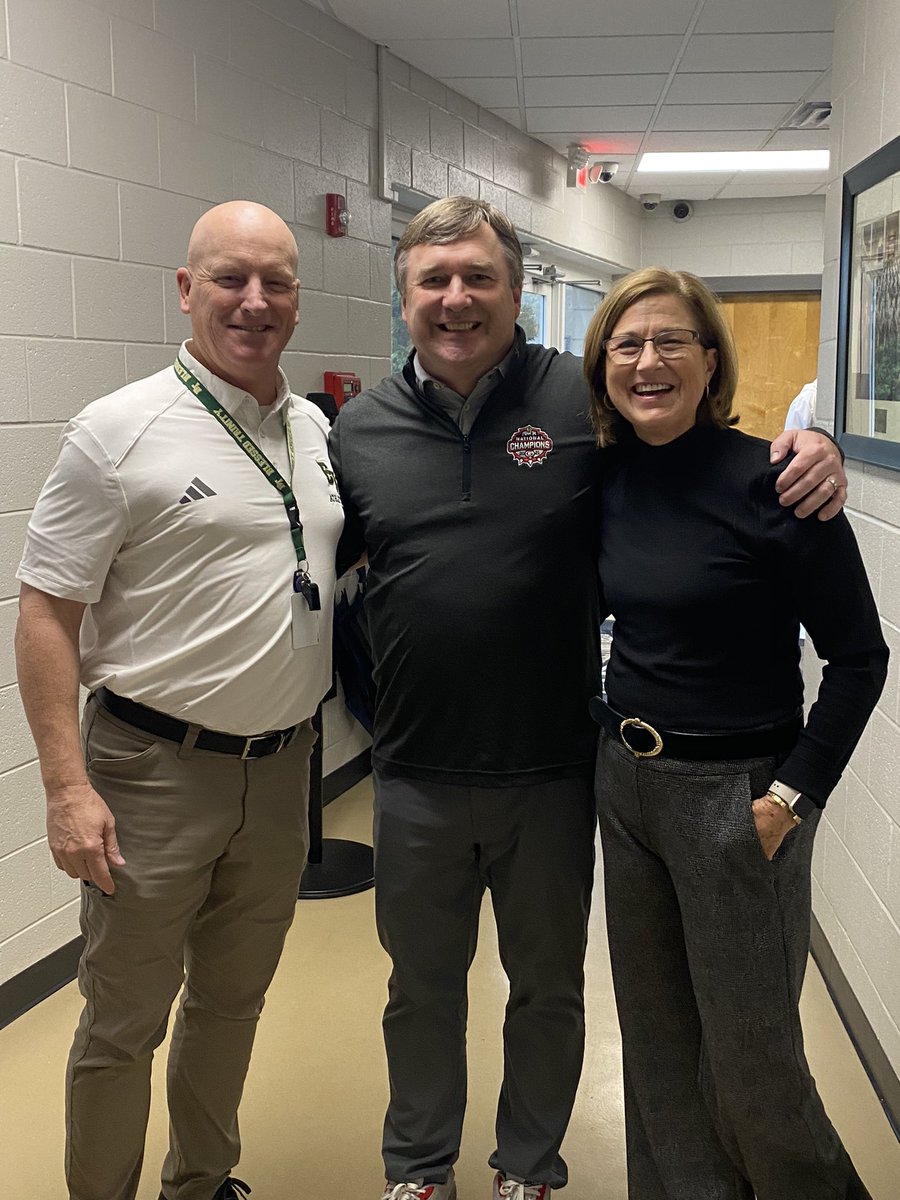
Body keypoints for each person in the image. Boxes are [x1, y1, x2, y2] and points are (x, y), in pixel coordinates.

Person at [328, 196, 849, 1200]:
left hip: (557, 766)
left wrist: (812, 447)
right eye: (433, 280)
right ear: (403, 298)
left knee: (550, 990)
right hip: (415, 773)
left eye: (479, 276)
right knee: (420, 991)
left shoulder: (582, 401)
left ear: (516, 293)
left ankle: (528, 1164)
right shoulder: (357, 429)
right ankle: (419, 1169)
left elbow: (686, 449)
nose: (456, 297)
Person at [14, 201, 344, 1200]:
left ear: (296, 296)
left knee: (232, 1005)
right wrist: (67, 789)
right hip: (152, 774)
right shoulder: (117, 432)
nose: (254, 302)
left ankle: (202, 1183)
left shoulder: (314, 427)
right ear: (186, 288)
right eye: (229, 279)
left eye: (275, 281)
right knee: (123, 1022)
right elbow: (43, 615)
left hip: (284, 770)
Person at [581, 267, 888, 1200]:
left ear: (711, 361)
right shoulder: (604, 477)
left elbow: (861, 658)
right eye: (627, 345)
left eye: (671, 340)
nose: (648, 361)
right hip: (625, 786)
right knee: (660, 1051)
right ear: (602, 368)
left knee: (757, 1068)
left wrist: (790, 797)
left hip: (737, 799)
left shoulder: (777, 482)